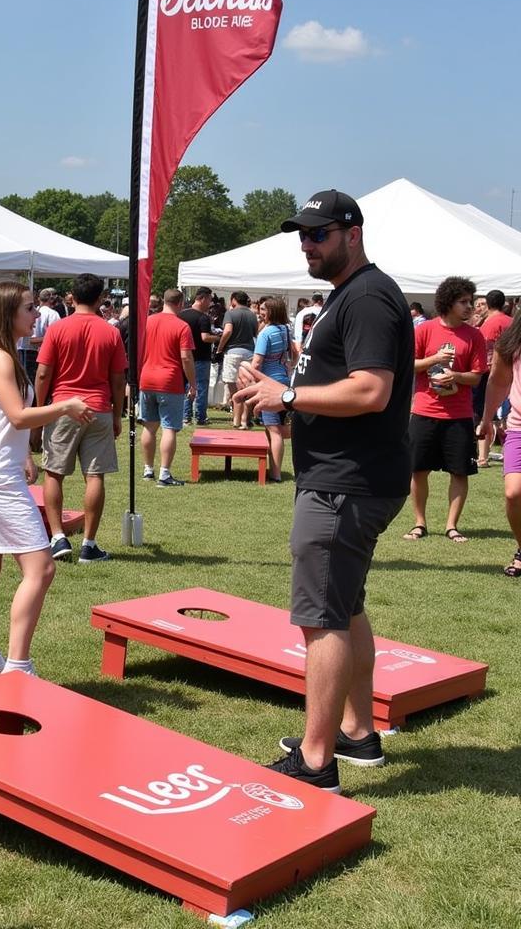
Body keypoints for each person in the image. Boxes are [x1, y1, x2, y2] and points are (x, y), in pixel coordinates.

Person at [234, 189, 413, 792]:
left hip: (345, 484)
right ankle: (356, 732)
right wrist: (276, 384)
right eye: (302, 236)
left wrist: (284, 397)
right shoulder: (353, 295)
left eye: (319, 234)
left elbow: (370, 391)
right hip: (349, 479)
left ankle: (315, 762)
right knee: (347, 605)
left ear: (351, 232)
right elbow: (338, 382)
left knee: (322, 619)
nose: (307, 245)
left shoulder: (365, 296)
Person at [0, 282, 93, 678]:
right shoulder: (0, 358)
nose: (37, 314)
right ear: (7, 314)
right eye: (30, 308)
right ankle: (17, 666)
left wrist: (25, 453)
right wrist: (65, 405)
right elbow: (17, 416)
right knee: (41, 569)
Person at [34, 272, 126, 563]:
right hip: (98, 407)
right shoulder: (110, 331)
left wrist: (39, 408)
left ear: (71, 297)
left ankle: (58, 537)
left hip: (63, 406)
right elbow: (118, 378)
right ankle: (89, 543)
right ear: (100, 298)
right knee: (94, 475)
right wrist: (117, 413)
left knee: (54, 472)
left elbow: (43, 373)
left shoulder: (58, 329)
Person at [402, 276, 486, 543]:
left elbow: (476, 376)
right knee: (418, 470)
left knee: (460, 471)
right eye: (463, 302)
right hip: (425, 411)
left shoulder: (475, 335)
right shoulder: (424, 329)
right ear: (448, 302)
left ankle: (452, 526)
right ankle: (419, 523)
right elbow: (408, 365)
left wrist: (455, 377)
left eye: (470, 301)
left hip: (459, 416)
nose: (469, 306)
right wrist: (434, 360)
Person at [478, 307, 521, 575]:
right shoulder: (513, 343)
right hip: (519, 428)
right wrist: (486, 418)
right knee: (513, 492)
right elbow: (497, 382)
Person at [139, 288, 195, 487]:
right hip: (169, 381)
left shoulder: (148, 321)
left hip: (147, 378)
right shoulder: (182, 326)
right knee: (169, 427)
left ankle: (148, 469)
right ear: (180, 303)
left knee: (149, 426)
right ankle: (164, 473)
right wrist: (193, 384)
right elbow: (186, 357)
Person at [252, 296, 294, 482]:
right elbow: (291, 354)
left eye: (263, 309)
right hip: (283, 380)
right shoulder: (285, 329)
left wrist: (249, 376)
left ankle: (275, 473)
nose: (260, 312)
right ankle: (273, 470)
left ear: (271, 311)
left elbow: (257, 361)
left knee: (274, 430)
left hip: (269, 383)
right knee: (274, 428)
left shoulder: (266, 333)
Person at [476, 290, 511, 467]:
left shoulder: (488, 324)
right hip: (512, 374)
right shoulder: (511, 322)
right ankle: (509, 454)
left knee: (485, 414)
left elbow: (482, 350)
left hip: (489, 374)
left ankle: (482, 457)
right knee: (507, 417)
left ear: (487, 304)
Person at [216, 291, 257, 430]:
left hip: (232, 352)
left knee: (233, 390)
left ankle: (236, 420)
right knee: (246, 389)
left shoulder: (231, 313)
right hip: (249, 353)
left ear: (234, 300)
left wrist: (220, 348)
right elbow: (255, 334)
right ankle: (245, 420)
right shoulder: (252, 315)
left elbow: (227, 331)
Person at [179, 287, 218, 426]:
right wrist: (219, 338)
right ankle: (200, 417)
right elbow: (205, 337)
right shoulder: (203, 317)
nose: (210, 303)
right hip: (201, 357)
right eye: (209, 300)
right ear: (203, 298)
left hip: (185, 355)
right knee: (201, 387)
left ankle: (185, 416)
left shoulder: (182, 315)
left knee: (187, 386)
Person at [292, 292, 323, 361]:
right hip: (321, 347)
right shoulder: (327, 311)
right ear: (321, 301)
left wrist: (298, 346)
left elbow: (298, 332)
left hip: (304, 347)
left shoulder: (303, 312)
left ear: (313, 301)